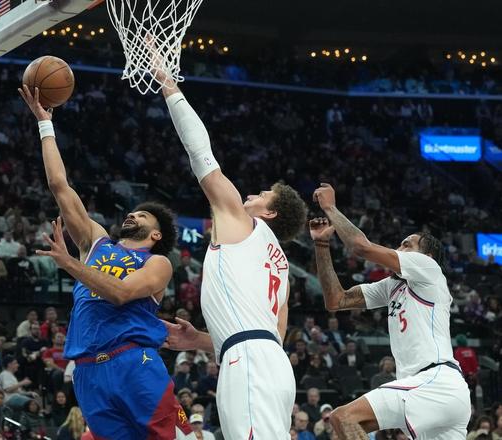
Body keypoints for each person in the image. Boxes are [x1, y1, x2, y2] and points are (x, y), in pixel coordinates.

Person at [19, 85, 191, 439]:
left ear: (155, 234)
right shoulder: (96, 242)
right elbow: (60, 186)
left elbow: (122, 294)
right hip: (87, 372)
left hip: (133, 362)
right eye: (133, 211)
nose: (133, 214)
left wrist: (70, 264)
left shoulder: (157, 263)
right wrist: (45, 125)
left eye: (142, 215)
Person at [155, 70, 307, 439]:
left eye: (262, 195)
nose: (252, 195)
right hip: (268, 364)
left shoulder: (242, 221)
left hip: (249, 363)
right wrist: (200, 340)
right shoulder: (281, 269)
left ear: (270, 213)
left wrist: (170, 88)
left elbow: (200, 154)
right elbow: (270, 335)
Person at [309, 183, 471, 439]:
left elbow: (360, 246)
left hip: (435, 381)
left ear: (426, 255)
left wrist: (330, 208)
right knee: (347, 427)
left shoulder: (428, 269)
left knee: (344, 417)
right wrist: (321, 245)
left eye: (407, 245)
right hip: (431, 390)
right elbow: (336, 301)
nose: (399, 249)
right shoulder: (392, 286)